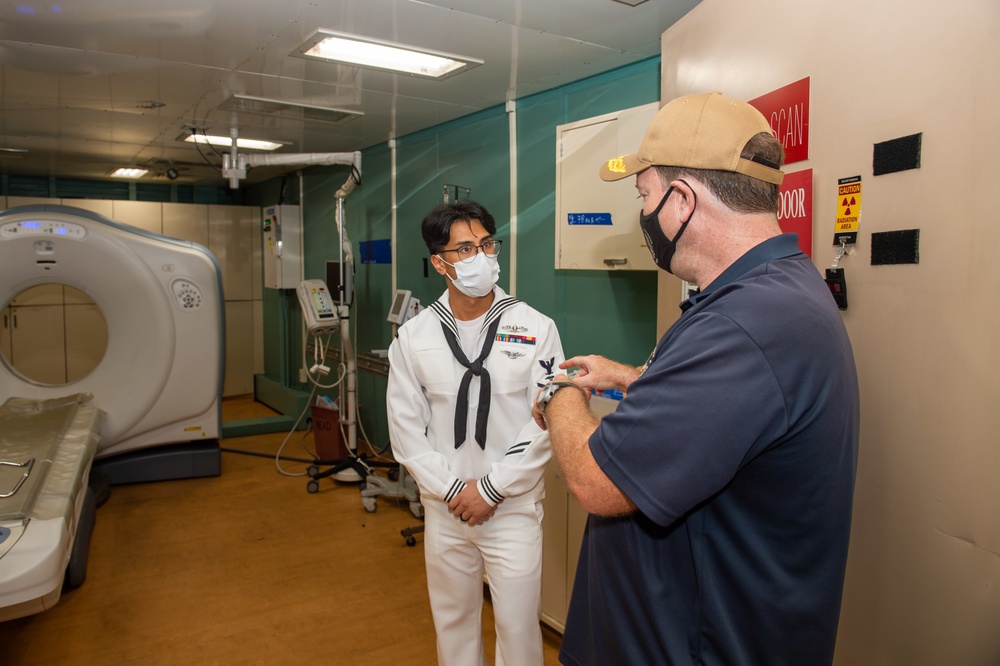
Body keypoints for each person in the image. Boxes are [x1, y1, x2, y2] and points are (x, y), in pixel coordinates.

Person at [532, 92, 860, 665]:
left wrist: (560, 394)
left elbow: (594, 481)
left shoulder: (748, 323)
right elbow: (729, 416)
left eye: (644, 195)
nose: (642, 215)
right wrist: (635, 378)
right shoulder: (772, 295)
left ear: (681, 201)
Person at [386, 199, 565, 666]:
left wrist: (490, 488)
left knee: (520, 632)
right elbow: (405, 429)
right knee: (453, 626)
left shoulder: (535, 327)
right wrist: (451, 491)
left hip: (511, 509)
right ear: (439, 262)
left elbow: (547, 417)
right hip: (445, 512)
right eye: (464, 249)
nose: (481, 257)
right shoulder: (414, 337)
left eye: (486, 244)